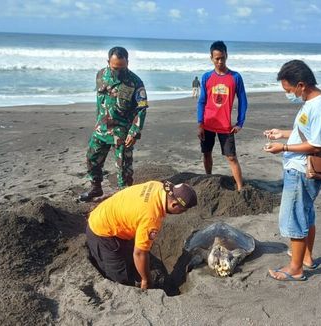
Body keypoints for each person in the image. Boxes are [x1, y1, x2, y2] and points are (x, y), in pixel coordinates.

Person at [263, 60, 321, 281]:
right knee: (306, 215)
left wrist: (282, 147)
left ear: (301, 84)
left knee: (294, 217)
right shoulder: (311, 102)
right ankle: (306, 258)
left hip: (302, 171)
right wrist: (282, 134)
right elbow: (305, 131)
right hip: (299, 169)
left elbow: (318, 144)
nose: (289, 94)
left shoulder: (319, 106)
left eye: (289, 89)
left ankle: (295, 268)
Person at [86, 180, 197, 289]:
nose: (182, 213)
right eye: (183, 210)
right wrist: (146, 280)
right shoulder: (151, 218)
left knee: (137, 263)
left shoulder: (157, 186)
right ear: (174, 205)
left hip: (109, 215)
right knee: (120, 279)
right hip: (102, 232)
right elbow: (139, 253)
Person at [80, 46, 148, 202]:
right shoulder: (100, 75)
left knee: (123, 169)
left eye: (122, 68)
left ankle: (124, 199)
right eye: (115, 67)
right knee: (92, 159)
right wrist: (97, 122)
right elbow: (100, 102)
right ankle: (95, 188)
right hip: (101, 128)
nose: (119, 71)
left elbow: (141, 109)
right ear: (108, 62)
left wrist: (134, 132)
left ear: (127, 63)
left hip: (122, 132)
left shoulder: (135, 82)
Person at [197, 41, 248, 192]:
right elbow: (201, 101)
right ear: (211, 58)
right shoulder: (206, 77)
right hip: (207, 124)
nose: (220, 62)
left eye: (222, 58)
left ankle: (240, 187)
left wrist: (240, 123)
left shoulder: (235, 77)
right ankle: (208, 179)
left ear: (227, 56)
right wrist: (200, 124)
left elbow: (243, 101)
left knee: (231, 157)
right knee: (207, 154)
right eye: (216, 58)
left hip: (226, 126)